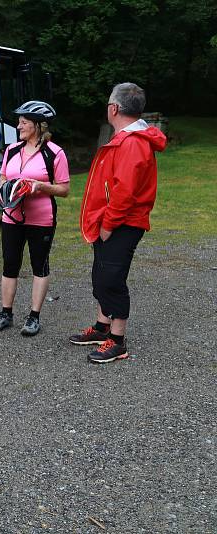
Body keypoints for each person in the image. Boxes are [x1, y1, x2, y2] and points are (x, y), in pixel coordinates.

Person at [70, 83, 167, 364]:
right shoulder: (127, 138)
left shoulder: (132, 142)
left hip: (121, 223)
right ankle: (102, 328)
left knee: (112, 279)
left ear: (114, 109)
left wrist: (109, 225)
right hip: (111, 220)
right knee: (101, 274)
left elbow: (124, 192)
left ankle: (118, 341)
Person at [0, 101, 70, 336]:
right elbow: (3, 177)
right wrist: (4, 191)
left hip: (41, 219)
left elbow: (64, 189)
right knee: (9, 264)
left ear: (38, 126)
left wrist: (40, 187)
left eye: (24, 122)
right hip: (11, 217)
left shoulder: (55, 153)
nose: (19, 125)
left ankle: (34, 316)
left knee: (39, 266)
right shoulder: (12, 149)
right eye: (20, 121)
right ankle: (6, 313)